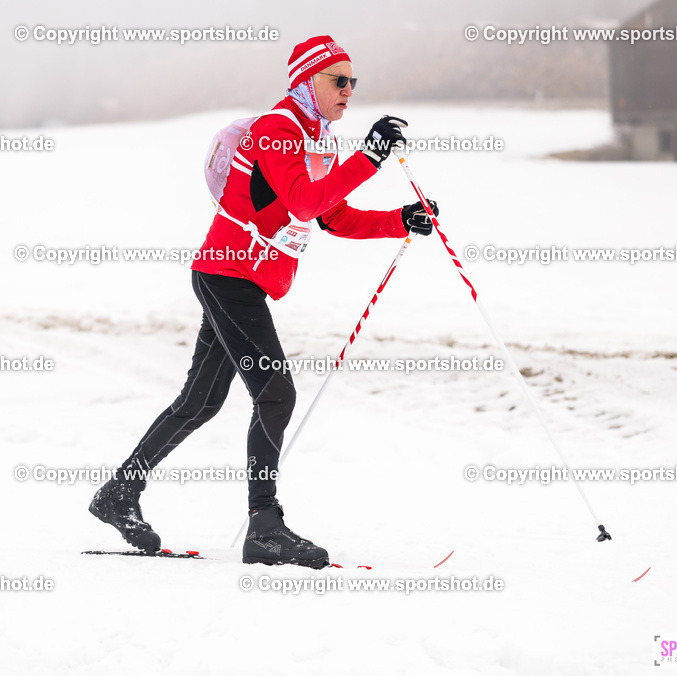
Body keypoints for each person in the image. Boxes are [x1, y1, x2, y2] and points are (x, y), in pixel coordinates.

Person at [89, 35, 438, 568]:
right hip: (228, 274)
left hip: (237, 279)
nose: (348, 90)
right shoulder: (278, 129)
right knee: (275, 393)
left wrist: (399, 220)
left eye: (353, 82)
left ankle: (119, 493)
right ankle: (264, 527)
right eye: (337, 80)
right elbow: (302, 200)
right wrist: (369, 157)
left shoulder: (319, 140)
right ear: (306, 82)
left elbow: (329, 216)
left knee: (200, 402)